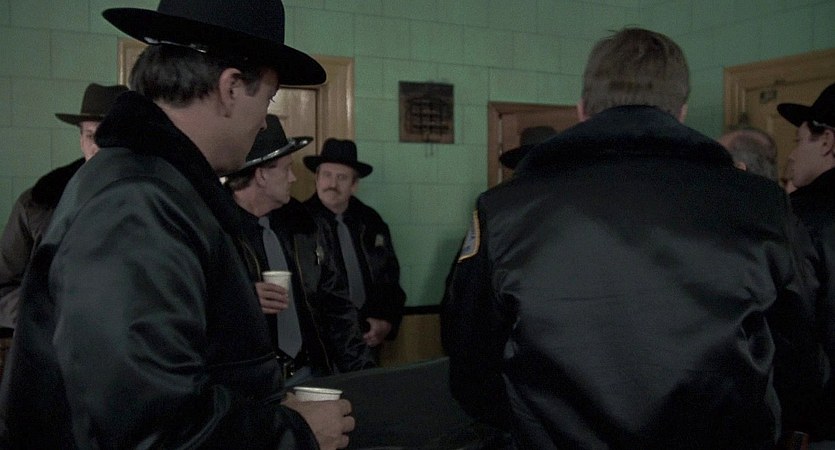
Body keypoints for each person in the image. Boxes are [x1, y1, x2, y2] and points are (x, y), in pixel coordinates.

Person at [442, 27, 823, 449]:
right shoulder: (762, 204)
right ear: (680, 112)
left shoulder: (505, 210)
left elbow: (471, 365)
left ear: (583, 109)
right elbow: (801, 357)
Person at [0, 1, 355, 449]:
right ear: (230, 88)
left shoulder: (155, 184)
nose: (264, 121)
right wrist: (295, 433)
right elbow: (149, 426)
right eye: (267, 100)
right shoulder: (135, 205)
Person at [226, 114, 375, 386]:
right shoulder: (215, 227)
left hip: (312, 374)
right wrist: (242, 299)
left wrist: (364, 376)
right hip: (251, 387)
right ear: (261, 175)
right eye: (287, 169)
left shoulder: (304, 225)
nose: (294, 178)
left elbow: (337, 307)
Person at [0, 83, 128, 329]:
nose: (99, 147)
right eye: (91, 136)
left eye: (111, 137)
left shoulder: (154, 204)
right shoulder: (39, 203)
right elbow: (4, 287)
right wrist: (49, 314)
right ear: (81, 140)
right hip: (50, 342)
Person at [304, 139, 406, 359]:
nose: (332, 184)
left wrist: (386, 322)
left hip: (367, 339)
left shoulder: (371, 222)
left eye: (342, 177)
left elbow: (389, 278)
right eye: (327, 175)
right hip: (320, 346)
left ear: (354, 185)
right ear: (317, 178)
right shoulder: (299, 222)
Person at [778, 81, 835, 442]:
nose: (792, 155)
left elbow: (791, 332)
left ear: (827, 141)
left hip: (820, 423)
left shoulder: (798, 218)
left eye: (799, 141)